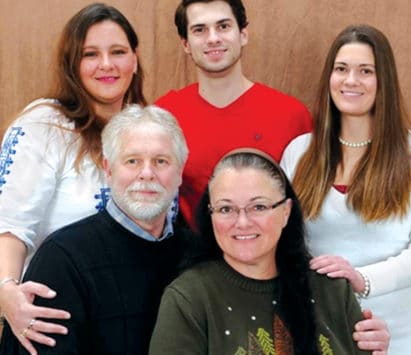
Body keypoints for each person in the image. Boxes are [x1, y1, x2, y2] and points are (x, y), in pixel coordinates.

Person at [0, 3, 146, 353]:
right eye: (90, 54)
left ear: (135, 59)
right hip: (58, 320)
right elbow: (10, 226)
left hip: (137, 316)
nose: (106, 64)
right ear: (72, 64)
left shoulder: (148, 129)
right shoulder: (43, 126)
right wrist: (6, 291)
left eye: (118, 52)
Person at [280, 24, 411, 354]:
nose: (351, 81)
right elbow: (284, 245)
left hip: (399, 338)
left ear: (384, 81)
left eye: (366, 71)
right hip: (319, 333)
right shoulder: (299, 152)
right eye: (341, 69)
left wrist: (362, 279)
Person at [0, 104, 192, 354]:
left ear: (179, 173)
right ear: (109, 170)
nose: (147, 173)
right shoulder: (62, 260)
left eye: (161, 161)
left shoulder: (196, 256)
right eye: (132, 161)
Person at [149, 148, 373, 355]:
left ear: (286, 212)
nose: (243, 222)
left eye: (259, 207)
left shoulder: (331, 287)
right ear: (211, 215)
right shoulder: (188, 299)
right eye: (226, 209)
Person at [156, 0, 313, 229]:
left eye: (223, 26)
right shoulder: (163, 117)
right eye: (199, 30)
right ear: (185, 44)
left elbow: (309, 205)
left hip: (272, 258)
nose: (212, 38)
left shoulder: (291, 115)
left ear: (243, 34)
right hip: (191, 258)